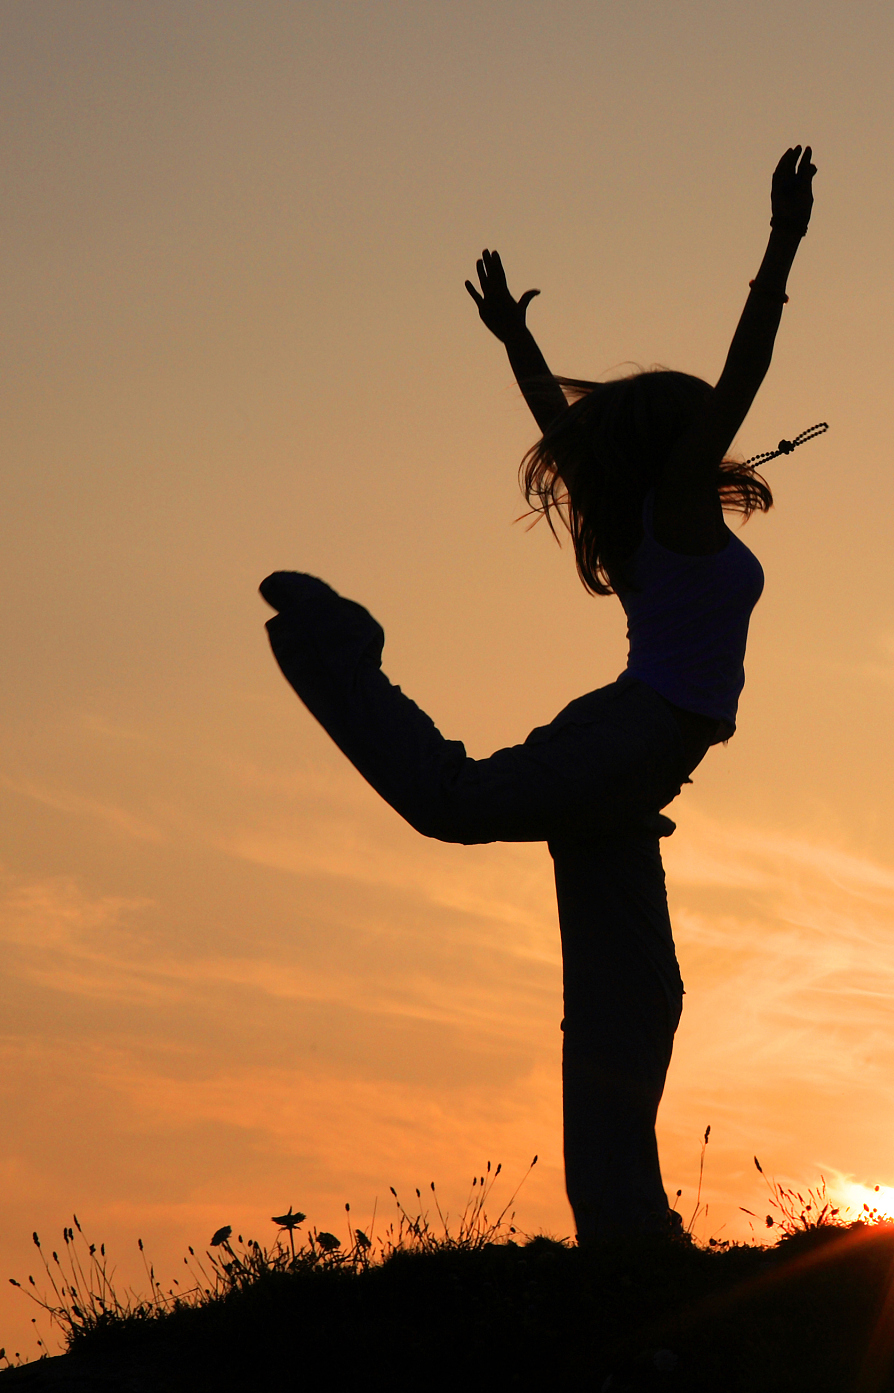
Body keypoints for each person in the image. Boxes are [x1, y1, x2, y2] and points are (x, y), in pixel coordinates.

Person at [259, 146, 819, 1242]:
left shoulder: (642, 515)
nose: (725, 428)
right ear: (677, 445)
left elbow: (567, 434)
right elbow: (743, 370)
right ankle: (337, 647)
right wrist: (783, 240)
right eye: (702, 422)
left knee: (635, 1000)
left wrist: (520, 345)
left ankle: (623, 1227)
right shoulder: (670, 513)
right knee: (452, 801)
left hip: (638, 767)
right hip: (626, 741)